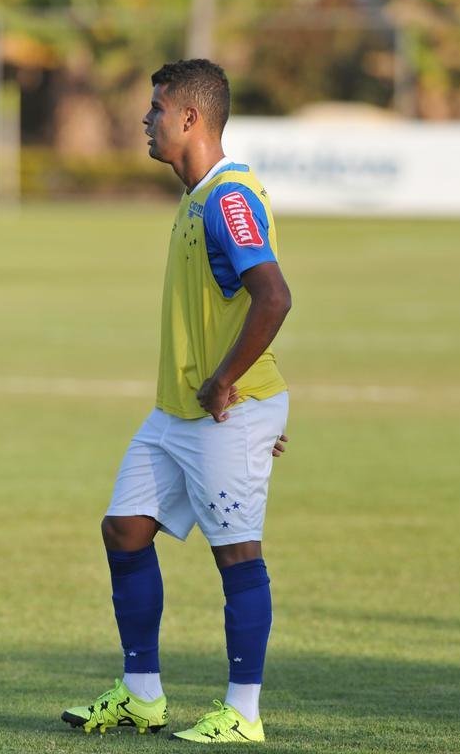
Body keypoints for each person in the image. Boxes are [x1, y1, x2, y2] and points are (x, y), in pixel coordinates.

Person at [61, 59, 291, 743]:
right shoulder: (195, 197)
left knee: (237, 556)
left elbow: (274, 296)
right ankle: (140, 696)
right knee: (124, 528)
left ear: (190, 118)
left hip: (225, 409)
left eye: (157, 108)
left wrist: (228, 382)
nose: (146, 119)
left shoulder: (225, 198)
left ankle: (241, 715)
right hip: (175, 415)